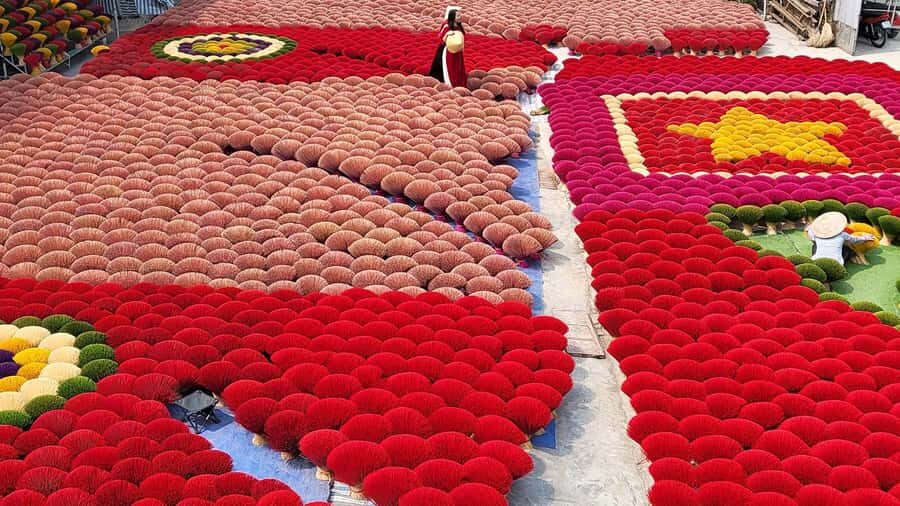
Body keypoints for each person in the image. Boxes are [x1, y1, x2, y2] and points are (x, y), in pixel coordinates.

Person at [806, 212, 875, 265]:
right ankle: (852, 257)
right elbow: (854, 240)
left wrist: (811, 227)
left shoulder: (817, 234)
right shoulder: (842, 234)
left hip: (816, 261)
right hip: (837, 263)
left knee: (815, 245)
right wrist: (865, 237)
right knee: (846, 249)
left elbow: (810, 233)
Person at [429, 6, 467, 88]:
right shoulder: (446, 25)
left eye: (460, 15)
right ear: (452, 17)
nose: (460, 17)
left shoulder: (458, 25)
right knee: (449, 68)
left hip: (457, 51)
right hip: (448, 51)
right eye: (458, 15)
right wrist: (447, 35)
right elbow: (440, 39)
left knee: (458, 67)